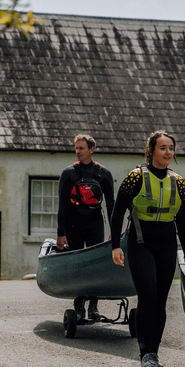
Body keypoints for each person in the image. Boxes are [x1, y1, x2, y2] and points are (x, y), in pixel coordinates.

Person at [111, 130, 185, 367]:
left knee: (160, 301)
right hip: (140, 243)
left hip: (167, 244)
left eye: (171, 148)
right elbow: (117, 213)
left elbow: (183, 221)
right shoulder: (134, 178)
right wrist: (115, 245)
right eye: (162, 148)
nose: (168, 152)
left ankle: (154, 353)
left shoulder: (178, 182)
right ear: (151, 151)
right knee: (148, 296)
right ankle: (145, 352)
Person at [56, 134, 115, 321]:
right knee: (78, 265)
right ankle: (79, 302)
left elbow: (111, 205)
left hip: (95, 224)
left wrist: (114, 231)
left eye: (81, 148)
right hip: (74, 224)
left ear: (91, 150)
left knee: (95, 265)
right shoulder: (69, 173)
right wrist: (61, 233)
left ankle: (94, 306)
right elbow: (62, 205)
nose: (78, 152)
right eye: (76, 148)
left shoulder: (103, 173)